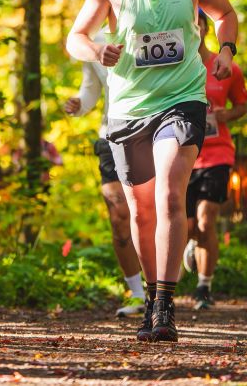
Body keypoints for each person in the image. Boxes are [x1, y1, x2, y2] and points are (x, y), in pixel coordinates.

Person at [66, 0, 238, 343]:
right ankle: (150, 300)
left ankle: (164, 303)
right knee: (142, 212)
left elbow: (226, 14)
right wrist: (95, 51)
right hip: (127, 111)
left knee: (168, 192)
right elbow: (76, 37)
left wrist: (225, 51)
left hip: (182, 101)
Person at [63, 33, 147, 318]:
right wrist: (79, 103)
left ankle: (161, 292)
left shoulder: (149, 24)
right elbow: (91, 88)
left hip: (151, 132)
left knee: (149, 213)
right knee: (119, 215)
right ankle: (137, 293)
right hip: (110, 134)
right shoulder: (94, 39)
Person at [181, 10, 247, 311]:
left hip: (218, 153)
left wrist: (225, 115)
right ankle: (193, 243)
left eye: (198, 23)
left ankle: (203, 288)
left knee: (207, 218)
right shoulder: (174, 68)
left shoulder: (226, 68)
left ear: (206, 28)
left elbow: (242, 106)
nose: (194, 28)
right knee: (186, 226)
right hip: (182, 154)